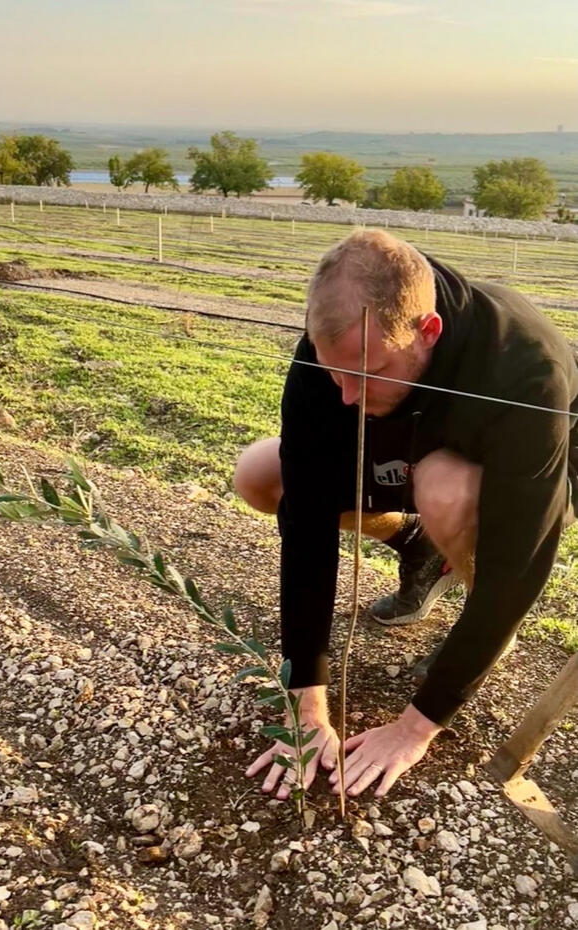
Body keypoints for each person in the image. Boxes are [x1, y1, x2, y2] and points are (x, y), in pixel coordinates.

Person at [234, 230, 578, 801]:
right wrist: (307, 703)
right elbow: (306, 528)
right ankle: (418, 544)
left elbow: (520, 566)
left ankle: (478, 613)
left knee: (446, 487)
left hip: (512, 471)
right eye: (333, 371)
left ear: (428, 331)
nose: (345, 394)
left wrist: (414, 727)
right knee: (261, 471)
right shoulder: (338, 361)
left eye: (365, 372)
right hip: (406, 453)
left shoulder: (523, 371)